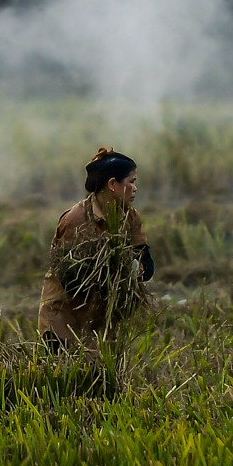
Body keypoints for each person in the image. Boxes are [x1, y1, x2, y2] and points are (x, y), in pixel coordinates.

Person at [40, 147, 155, 347]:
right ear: (112, 184)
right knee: (65, 372)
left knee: (100, 372)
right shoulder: (76, 220)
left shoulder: (130, 216)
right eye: (131, 182)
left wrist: (135, 270)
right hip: (64, 318)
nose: (135, 188)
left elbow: (144, 259)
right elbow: (72, 281)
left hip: (100, 320)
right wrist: (115, 274)